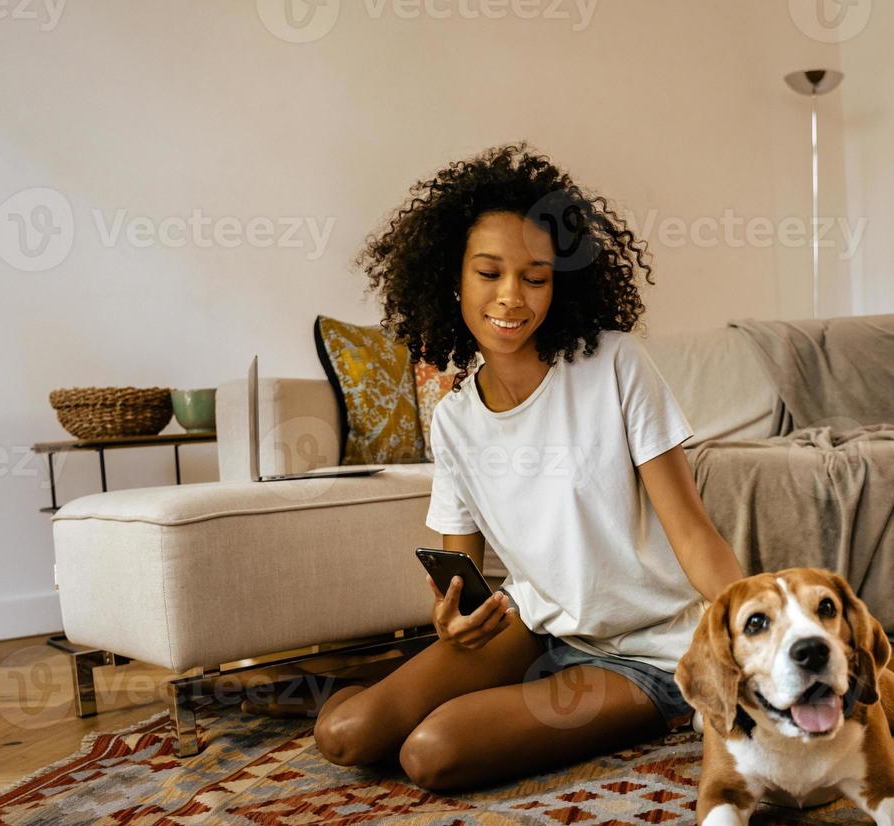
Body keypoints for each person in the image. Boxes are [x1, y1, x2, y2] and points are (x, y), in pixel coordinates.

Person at [253, 143, 745, 793]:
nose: (511, 297)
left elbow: (692, 533)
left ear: (558, 284)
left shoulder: (616, 366)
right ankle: (388, 693)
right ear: (452, 279)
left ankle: (661, 705)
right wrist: (451, 621)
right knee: (343, 734)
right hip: (532, 625)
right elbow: (460, 581)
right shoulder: (455, 418)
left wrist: (758, 631)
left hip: (649, 653)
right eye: (489, 273)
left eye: (534, 277)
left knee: (431, 753)